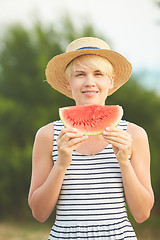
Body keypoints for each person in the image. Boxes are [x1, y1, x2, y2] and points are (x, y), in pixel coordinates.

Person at [28, 37, 154, 239]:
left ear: (110, 81)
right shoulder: (48, 135)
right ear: (68, 82)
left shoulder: (134, 135)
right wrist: (61, 164)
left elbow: (142, 214)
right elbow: (39, 213)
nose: (89, 82)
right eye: (80, 74)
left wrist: (124, 162)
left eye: (98, 74)